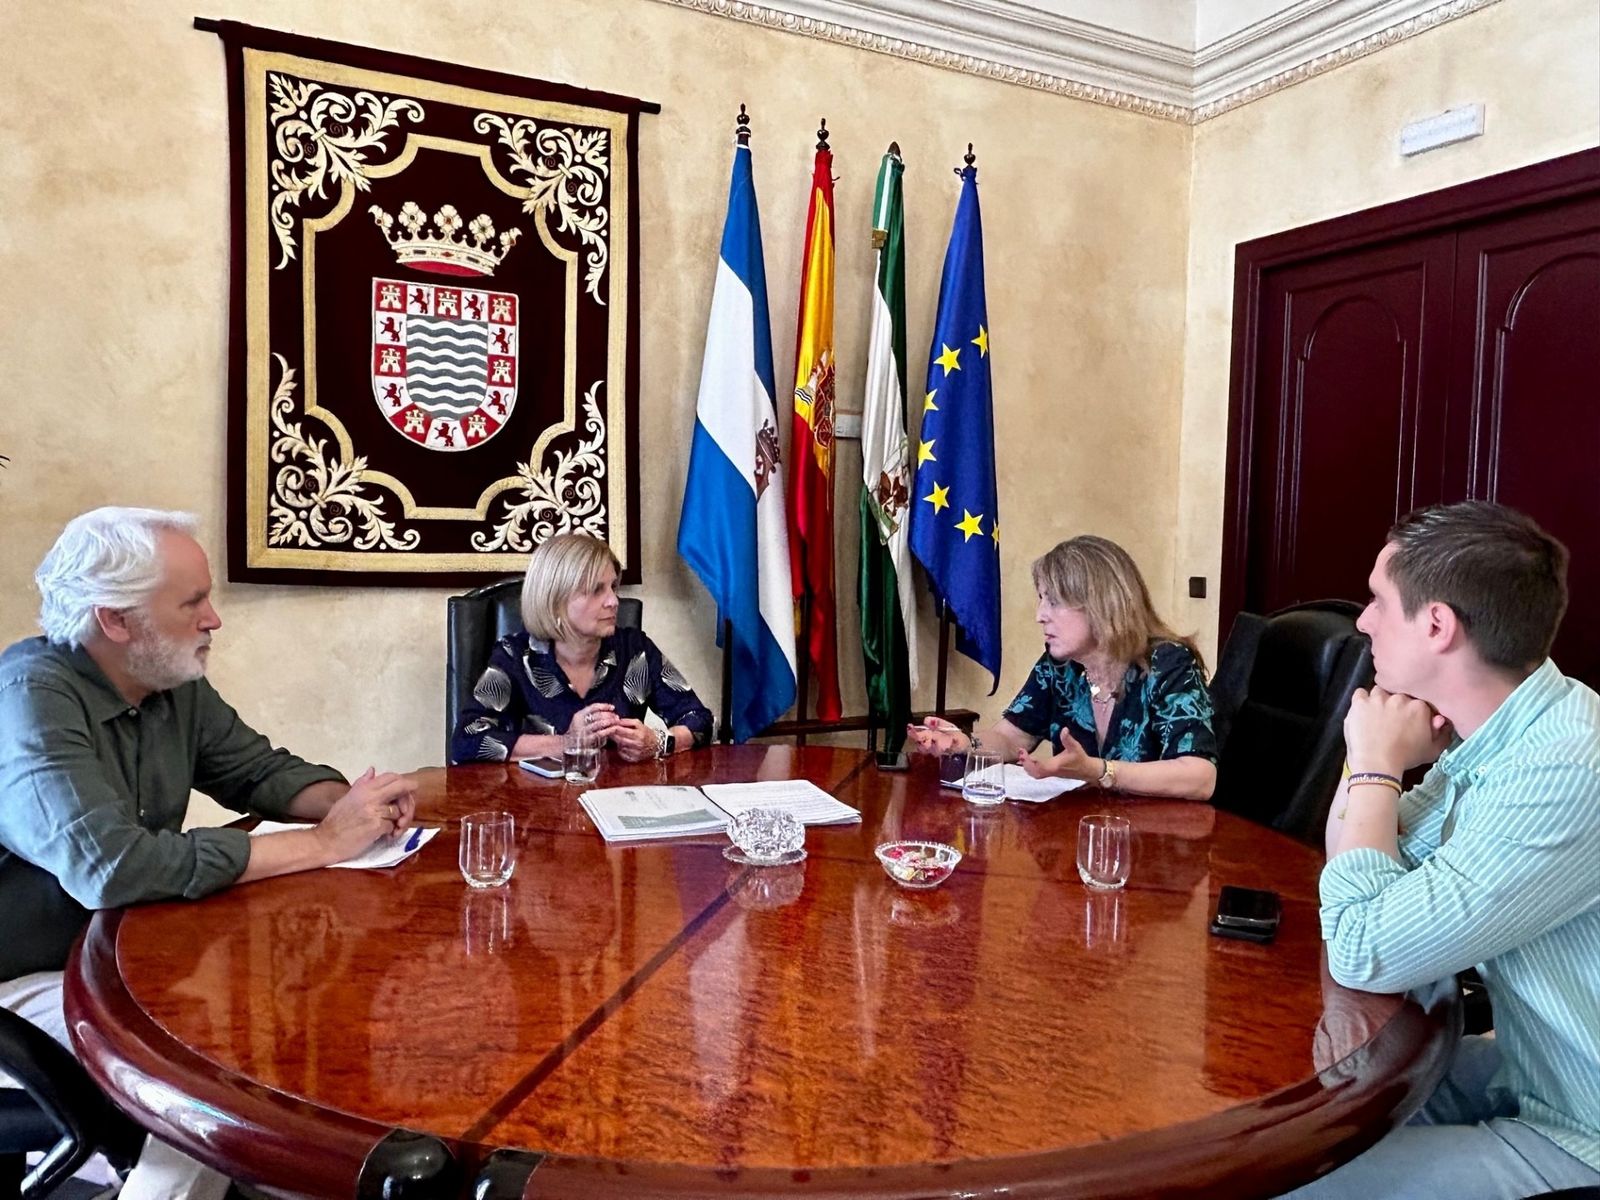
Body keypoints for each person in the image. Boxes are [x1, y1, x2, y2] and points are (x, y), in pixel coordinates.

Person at [0, 507, 419, 1200]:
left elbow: (256, 770)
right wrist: (321, 843)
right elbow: (113, 869)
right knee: (198, 1076)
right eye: (192, 601)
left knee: (286, 1021)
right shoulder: (29, 699)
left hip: (119, 954)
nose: (213, 619)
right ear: (116, 620)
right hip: (21, 979)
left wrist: (354, 806)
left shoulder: (168, 681)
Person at [1282, 502, 1599, 1199]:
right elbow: (1360, 865)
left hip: (1584, 1129)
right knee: (1300, 1120)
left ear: (1436, 625)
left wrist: (1373, 763)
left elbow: (1363, 948)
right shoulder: (1502, 733)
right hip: (1536, 1069)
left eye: (1377, 601)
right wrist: (1375, 762)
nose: (1361, 621)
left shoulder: (1565, 769)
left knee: (1288, 1181)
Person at [906, 534, 1217, 800]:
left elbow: (1199, 777)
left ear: (1101, 605)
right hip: (1081, 836)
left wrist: (1099, 771)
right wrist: (964, 743)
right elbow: (1013, 738)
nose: (1040, 615)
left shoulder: (1168, 663)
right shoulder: (1060, 667)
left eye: (1053, 601)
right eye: (1041, 600)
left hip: (1160, 846)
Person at [451, 533, 713, 764]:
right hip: (537, 805)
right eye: (596, 590)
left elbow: (698, 719)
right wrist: (567, 743)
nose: (613, 601)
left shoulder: (635, 650)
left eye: (613, 587)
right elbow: (467, 740)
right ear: (555, 601)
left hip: (617, 802)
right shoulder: (515, 657)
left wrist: (659, 742)